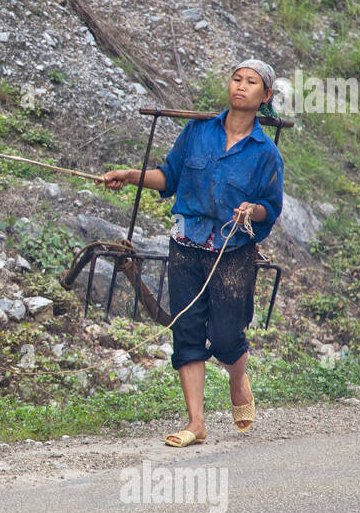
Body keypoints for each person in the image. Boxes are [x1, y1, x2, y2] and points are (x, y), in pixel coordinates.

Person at [100, 60, 284, 446]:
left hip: (232, 252)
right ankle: (196, 423)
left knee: (226, 334)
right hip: (186, 243)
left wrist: (252, 209)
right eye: (236, 78)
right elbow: (169, 177)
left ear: (265, 96)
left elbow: (271, 206)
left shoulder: (266, 153)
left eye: (251, 82)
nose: (241, 86)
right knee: (186, 331)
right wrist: (131, 175)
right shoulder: (198, 131)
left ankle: (237, 377)